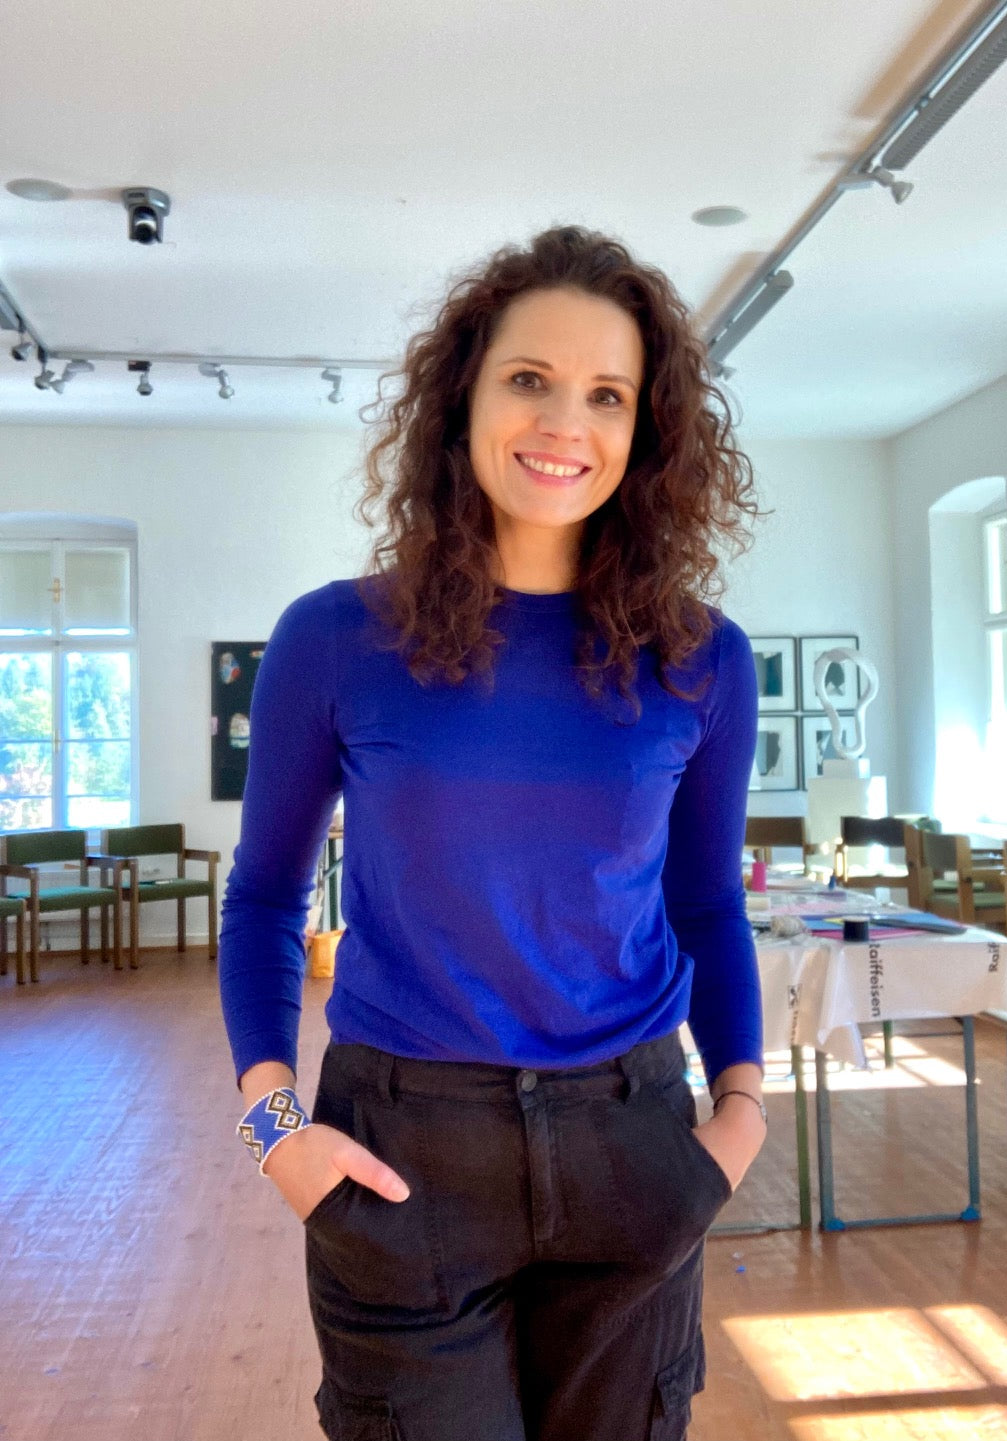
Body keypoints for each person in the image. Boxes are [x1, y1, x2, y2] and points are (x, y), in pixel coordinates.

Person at [218, 225, 767, 1441]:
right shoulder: (333, 639)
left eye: (606, 394)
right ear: (462, 396)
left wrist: (738, 1114)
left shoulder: (700, 660)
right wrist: (272, 1129)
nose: (564, 423)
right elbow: (263, 897)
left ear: (645, 430)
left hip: (630, 1143)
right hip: (403, 1155)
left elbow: (706, 907)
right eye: (529, 379)